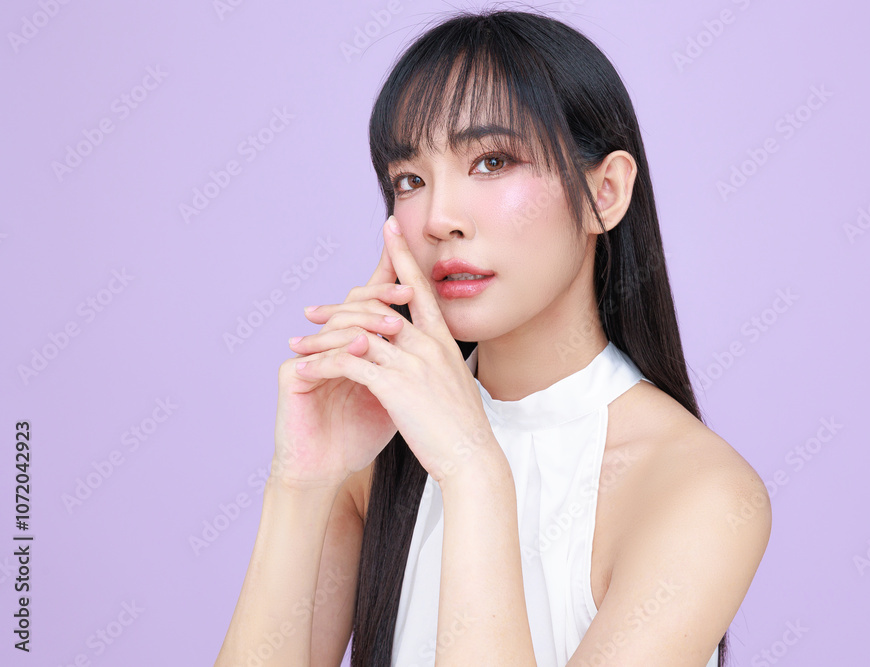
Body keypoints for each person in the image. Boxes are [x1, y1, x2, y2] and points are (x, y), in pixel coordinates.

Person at [215, 8, 771, 667]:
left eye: (492, 161)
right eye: (410, 180)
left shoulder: (700, 489)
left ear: (605, 192)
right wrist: (300, 483)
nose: (439, 218)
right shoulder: (376, 446)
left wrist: (473, 471)